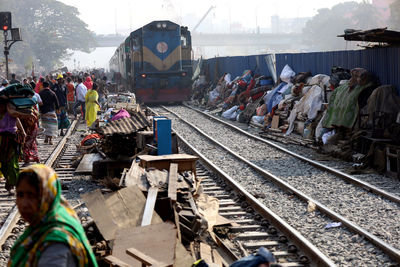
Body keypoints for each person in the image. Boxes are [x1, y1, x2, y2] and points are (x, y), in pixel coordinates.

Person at [9, 164, 98, 267]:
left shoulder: (55, 243)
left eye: (32, 195)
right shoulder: (45, 224)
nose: (24, 203)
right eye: (20, 195)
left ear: (47, 196)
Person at [0, 98, 32, 192]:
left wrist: (22, 131)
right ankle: (9, 181)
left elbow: (17, 120)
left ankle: (12, 184)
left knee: (12, 163)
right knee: (4, 164)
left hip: (13, 139)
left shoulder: (12, 113)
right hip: (2, 140)